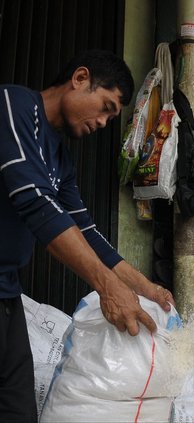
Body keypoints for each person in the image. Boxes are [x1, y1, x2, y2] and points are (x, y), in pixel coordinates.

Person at [0, 49, 175, 422]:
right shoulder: (12, 107)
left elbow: (88, 232)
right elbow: (34, 204)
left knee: (17, 411)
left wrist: (147, 288)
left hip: (6, 294)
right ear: (81, 78)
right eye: (105, 107)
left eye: (111, 116)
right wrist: (107, 287)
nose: (103, 122)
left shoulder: (60, 160)